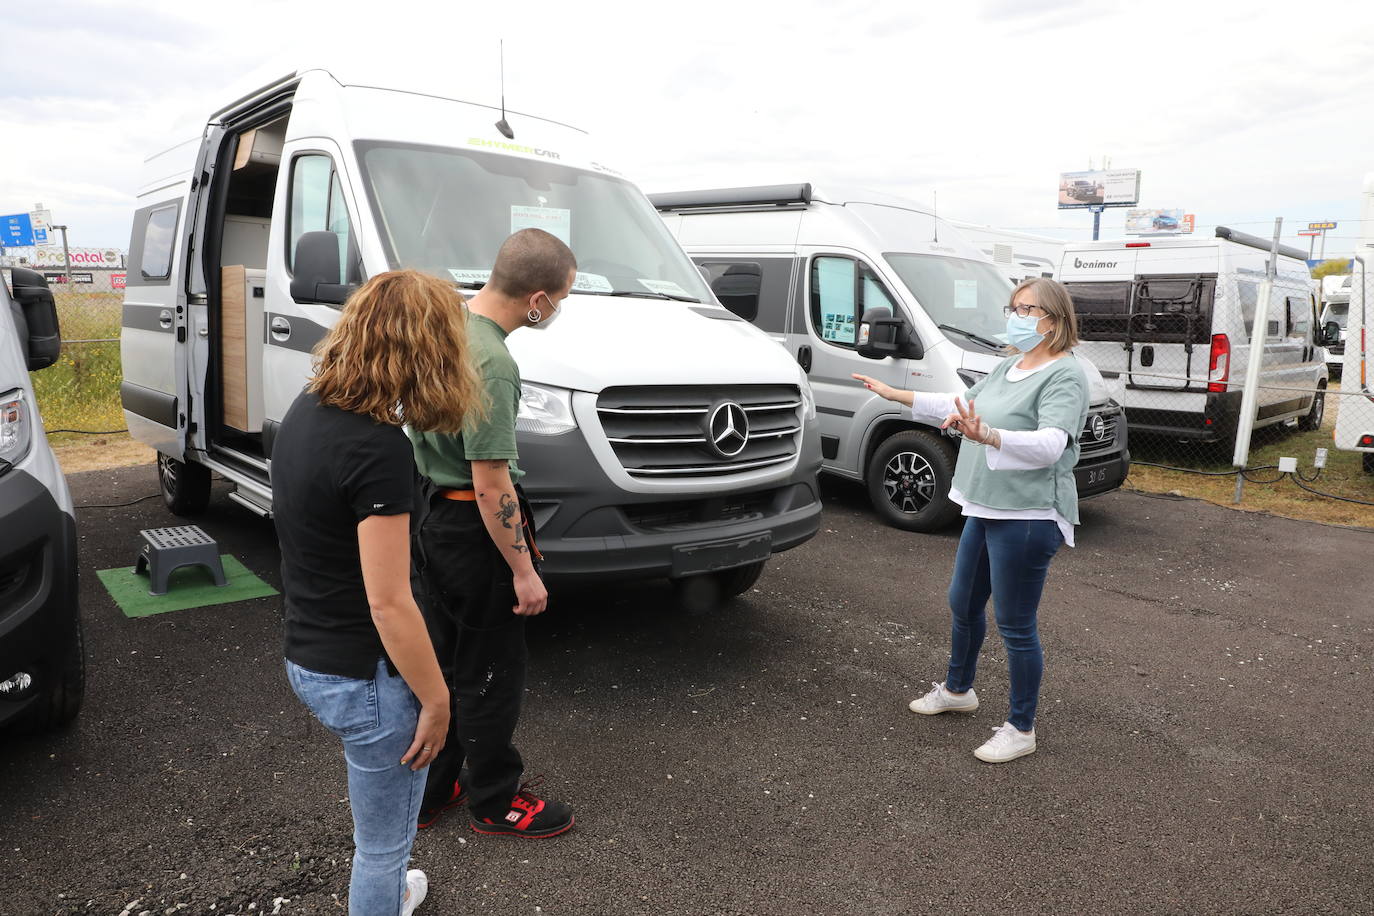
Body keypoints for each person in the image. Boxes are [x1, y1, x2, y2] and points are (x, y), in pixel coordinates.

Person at [273, 270, 485, 913]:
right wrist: (438, 699)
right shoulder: (379, 448)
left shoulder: (307, 410)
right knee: (383, 847)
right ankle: (382, 897)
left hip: (309, 658)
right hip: (366, 679)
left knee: (382, 844)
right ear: (428, 349)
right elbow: (389, 601)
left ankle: (391, 896)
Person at [853, 276, 1088, 764]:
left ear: (1054, 319)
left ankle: (1021, 727)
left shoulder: (1066, 375)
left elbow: (1052, 443)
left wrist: (991, 436)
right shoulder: (1010, 365)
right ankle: (959, 690)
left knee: (1015, 625)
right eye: (1013, 307)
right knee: (963, 603)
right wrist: (896, 394)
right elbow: (962, 406)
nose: (1015, 316)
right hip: (985, 505)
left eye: (1026, 309)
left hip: (1027, 514)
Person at [410, 228, 576, 836]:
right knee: (490, 669)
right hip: (470, 526)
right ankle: (495, 800)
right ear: (537, 298)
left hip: (432, 515)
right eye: (560, 298)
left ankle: (432, 789)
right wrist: (524, 571)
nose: (557, 309)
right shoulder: (495, 363)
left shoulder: (446, 326)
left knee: (448, 663)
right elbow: (490, 483)